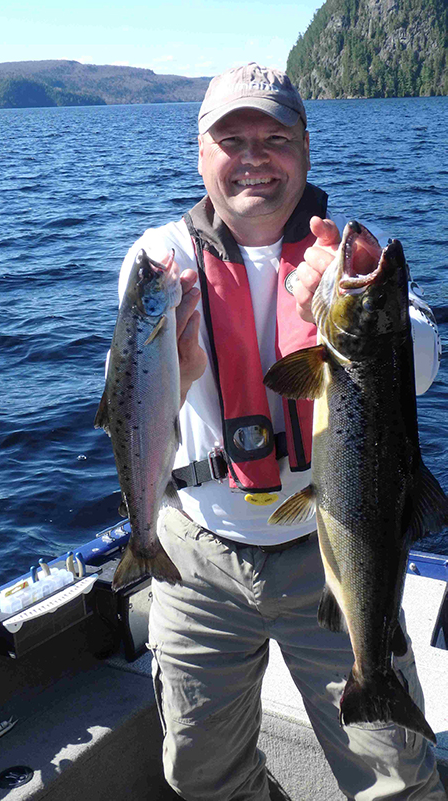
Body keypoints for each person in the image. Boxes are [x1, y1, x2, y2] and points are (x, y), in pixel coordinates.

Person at [118, 64, 445, 800]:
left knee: (397, 775)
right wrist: (180, 356)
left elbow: (419, 356)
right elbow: (136, 404)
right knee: (201, 775)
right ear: (200, 151)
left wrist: (352, 299)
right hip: (195, 558)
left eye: (275, 137)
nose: (254, 156)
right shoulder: (157, 261)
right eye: (232, 139)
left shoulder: (357, 253)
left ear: (306, 145)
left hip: (332, 549)